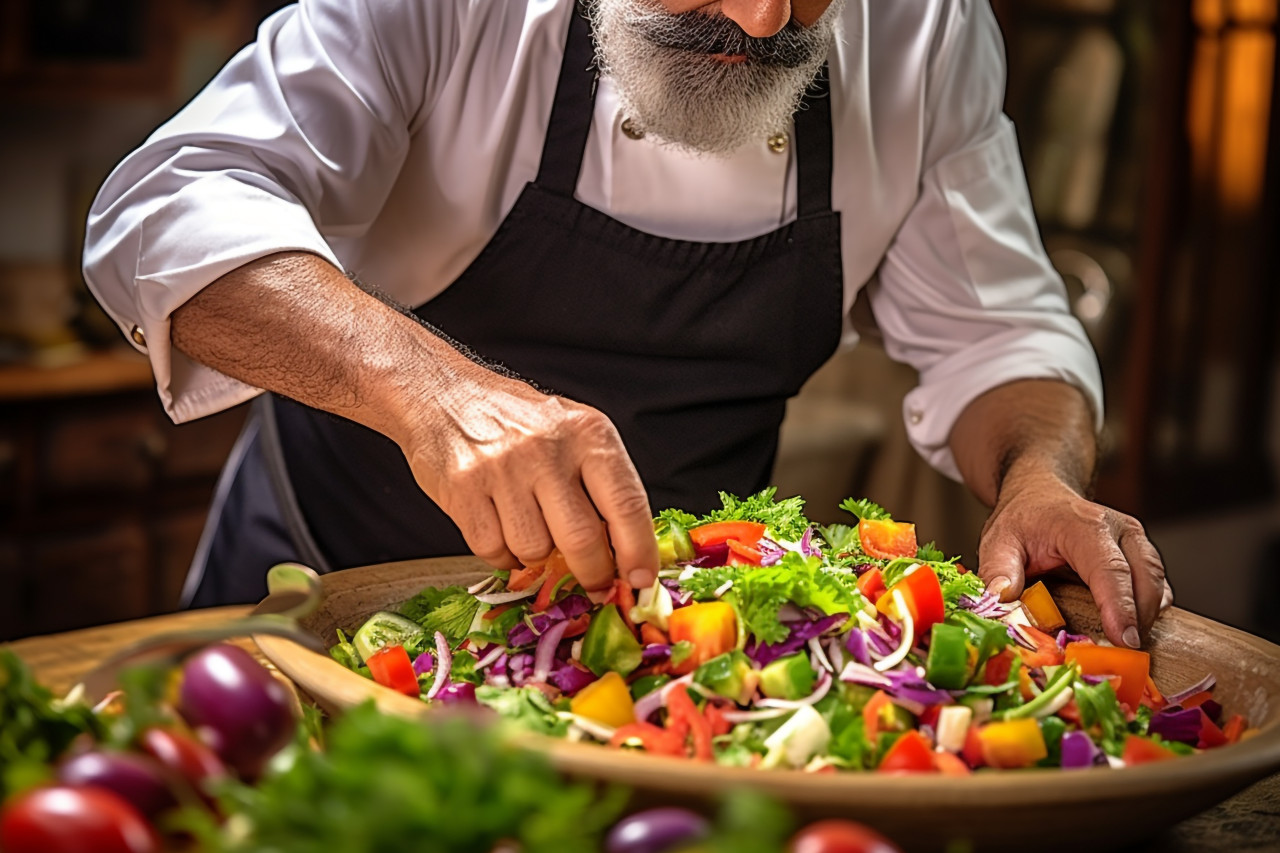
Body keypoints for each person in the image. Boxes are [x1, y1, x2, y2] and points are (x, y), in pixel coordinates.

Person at [83, 0, 1170, 648]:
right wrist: (438, 394)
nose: (761, 22)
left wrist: (1036, 479)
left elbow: (995, 332)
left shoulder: (926, 28)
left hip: (658, 649)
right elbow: (168, 204)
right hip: (326, 592)